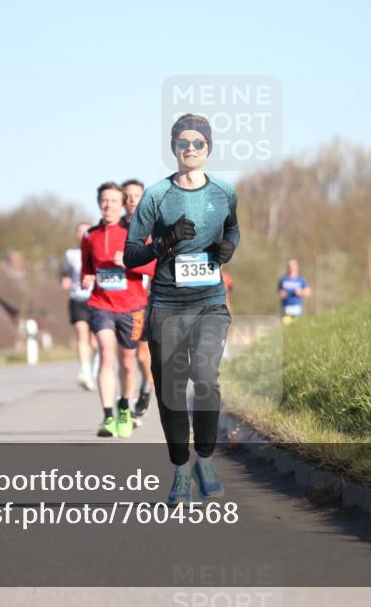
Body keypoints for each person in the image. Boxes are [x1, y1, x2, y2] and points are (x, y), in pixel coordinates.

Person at [125, 113, 239, 506]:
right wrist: (165, 242)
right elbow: (130, 255)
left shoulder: (225, 191)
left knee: (205, 375)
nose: (191, 149)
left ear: (208, 148)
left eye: (198, 143)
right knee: (171, 392)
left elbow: (232, 230)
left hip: (210, 303)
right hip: (167, 306)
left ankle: (205, 459)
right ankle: (180, 470)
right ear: (173, 147)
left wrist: (228, 250)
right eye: (183, 143)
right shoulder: (156, 196)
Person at [81, 182, 155, 438]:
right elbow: (87, 269)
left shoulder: (135, 232)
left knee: (126, 362)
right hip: (101, 305)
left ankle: (125, 405)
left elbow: (154, 267)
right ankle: (107, 416)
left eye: (113, 201)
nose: (108, 205)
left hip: (132, 306)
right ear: (98, 203)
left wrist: (129, 262)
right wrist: (87, 278)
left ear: (122, 205)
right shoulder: (89, 236)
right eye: (104, 200)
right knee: (105, 354)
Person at [121, 178, 155, 424]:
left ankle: (146, 387)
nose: (132, 200)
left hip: (146, 298)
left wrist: (132, 263)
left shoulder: (151, 229)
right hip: (118, 302)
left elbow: (158, 263)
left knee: (142, 355)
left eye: (136, 196)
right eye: (128, 196)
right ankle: (127, 403)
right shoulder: (115, 229)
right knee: (125, 355)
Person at [60, 221, 97, 390]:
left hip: (97, 298)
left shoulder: (98, 250)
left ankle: (94, 364)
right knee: (82, 335)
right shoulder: (70, 254)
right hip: (78, 298)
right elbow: (65, 271)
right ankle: (85, 372)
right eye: (79, 231)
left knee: (95, 342)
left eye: (86, 231)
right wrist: (65, 280)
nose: (82, 234)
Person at [278, 259, 311, 324]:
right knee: (286, 327)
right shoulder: (283, 280)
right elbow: (280, 292)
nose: (291, 268)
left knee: (297, 327)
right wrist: (283, 294)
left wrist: (301, 292)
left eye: (293, 266)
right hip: (286, 308)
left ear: (296, 267)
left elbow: (308, 292)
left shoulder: (301, 280)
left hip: (297, 308)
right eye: (289, 266)